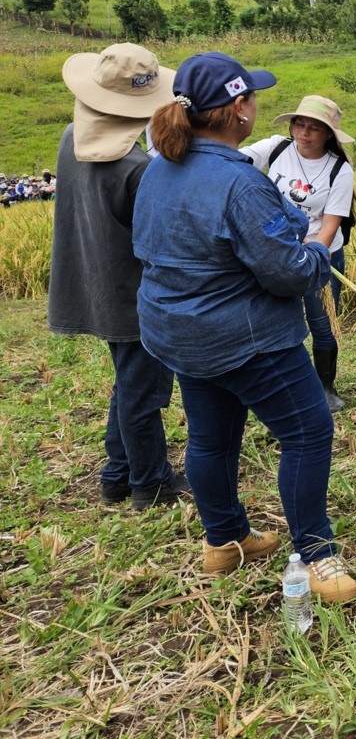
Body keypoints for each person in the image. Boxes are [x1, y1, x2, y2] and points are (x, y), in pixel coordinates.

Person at [133, 52, 356, 602]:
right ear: (238, 109)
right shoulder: (241, 184)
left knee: (211, 437)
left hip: (178, 333)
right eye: (252, 97)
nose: (256, 105)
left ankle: (225, 540)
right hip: (247, 338)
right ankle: (317, 554)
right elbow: (286, 274)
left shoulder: (160, 167)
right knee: (307, 432)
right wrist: (313, 255)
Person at [49, 43, 187, 511]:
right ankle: (150, 482)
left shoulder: (71, 137)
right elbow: (160, 241)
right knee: (142, 390)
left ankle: (116, 474)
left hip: (93, 282)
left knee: (129, 382)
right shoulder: (136, 168)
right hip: (133, 292)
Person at [243, 95, 356, 412]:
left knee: (322, 323)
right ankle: (280, 386)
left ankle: (325, 386)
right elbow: (235, 164)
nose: (304, 133)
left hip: (320, 257)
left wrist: (313, 255)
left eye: (315, 128)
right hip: (276, 255)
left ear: (328, 135)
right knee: (276, 320)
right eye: (300, 124)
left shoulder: (340, 171)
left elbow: (331, 223)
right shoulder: (276, 148)